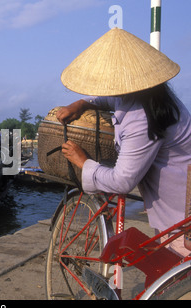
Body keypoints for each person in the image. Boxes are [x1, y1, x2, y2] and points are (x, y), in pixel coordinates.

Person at [56, 28, 191, 257]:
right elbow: (112, 97)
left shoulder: (144, 117)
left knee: (178, 272)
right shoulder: (152, 94)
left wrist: (84, 162)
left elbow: (122, 181)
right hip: (176, 197)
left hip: (180, 208)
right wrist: (81, 104)